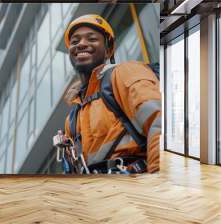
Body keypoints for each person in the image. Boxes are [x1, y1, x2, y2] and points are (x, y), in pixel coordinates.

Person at [62, 14, 161, 173]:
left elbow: (159, 123)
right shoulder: (72, 117)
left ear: (108, 51)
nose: (81, 44)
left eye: (92, 39)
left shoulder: (124, 73)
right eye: (75, 41)